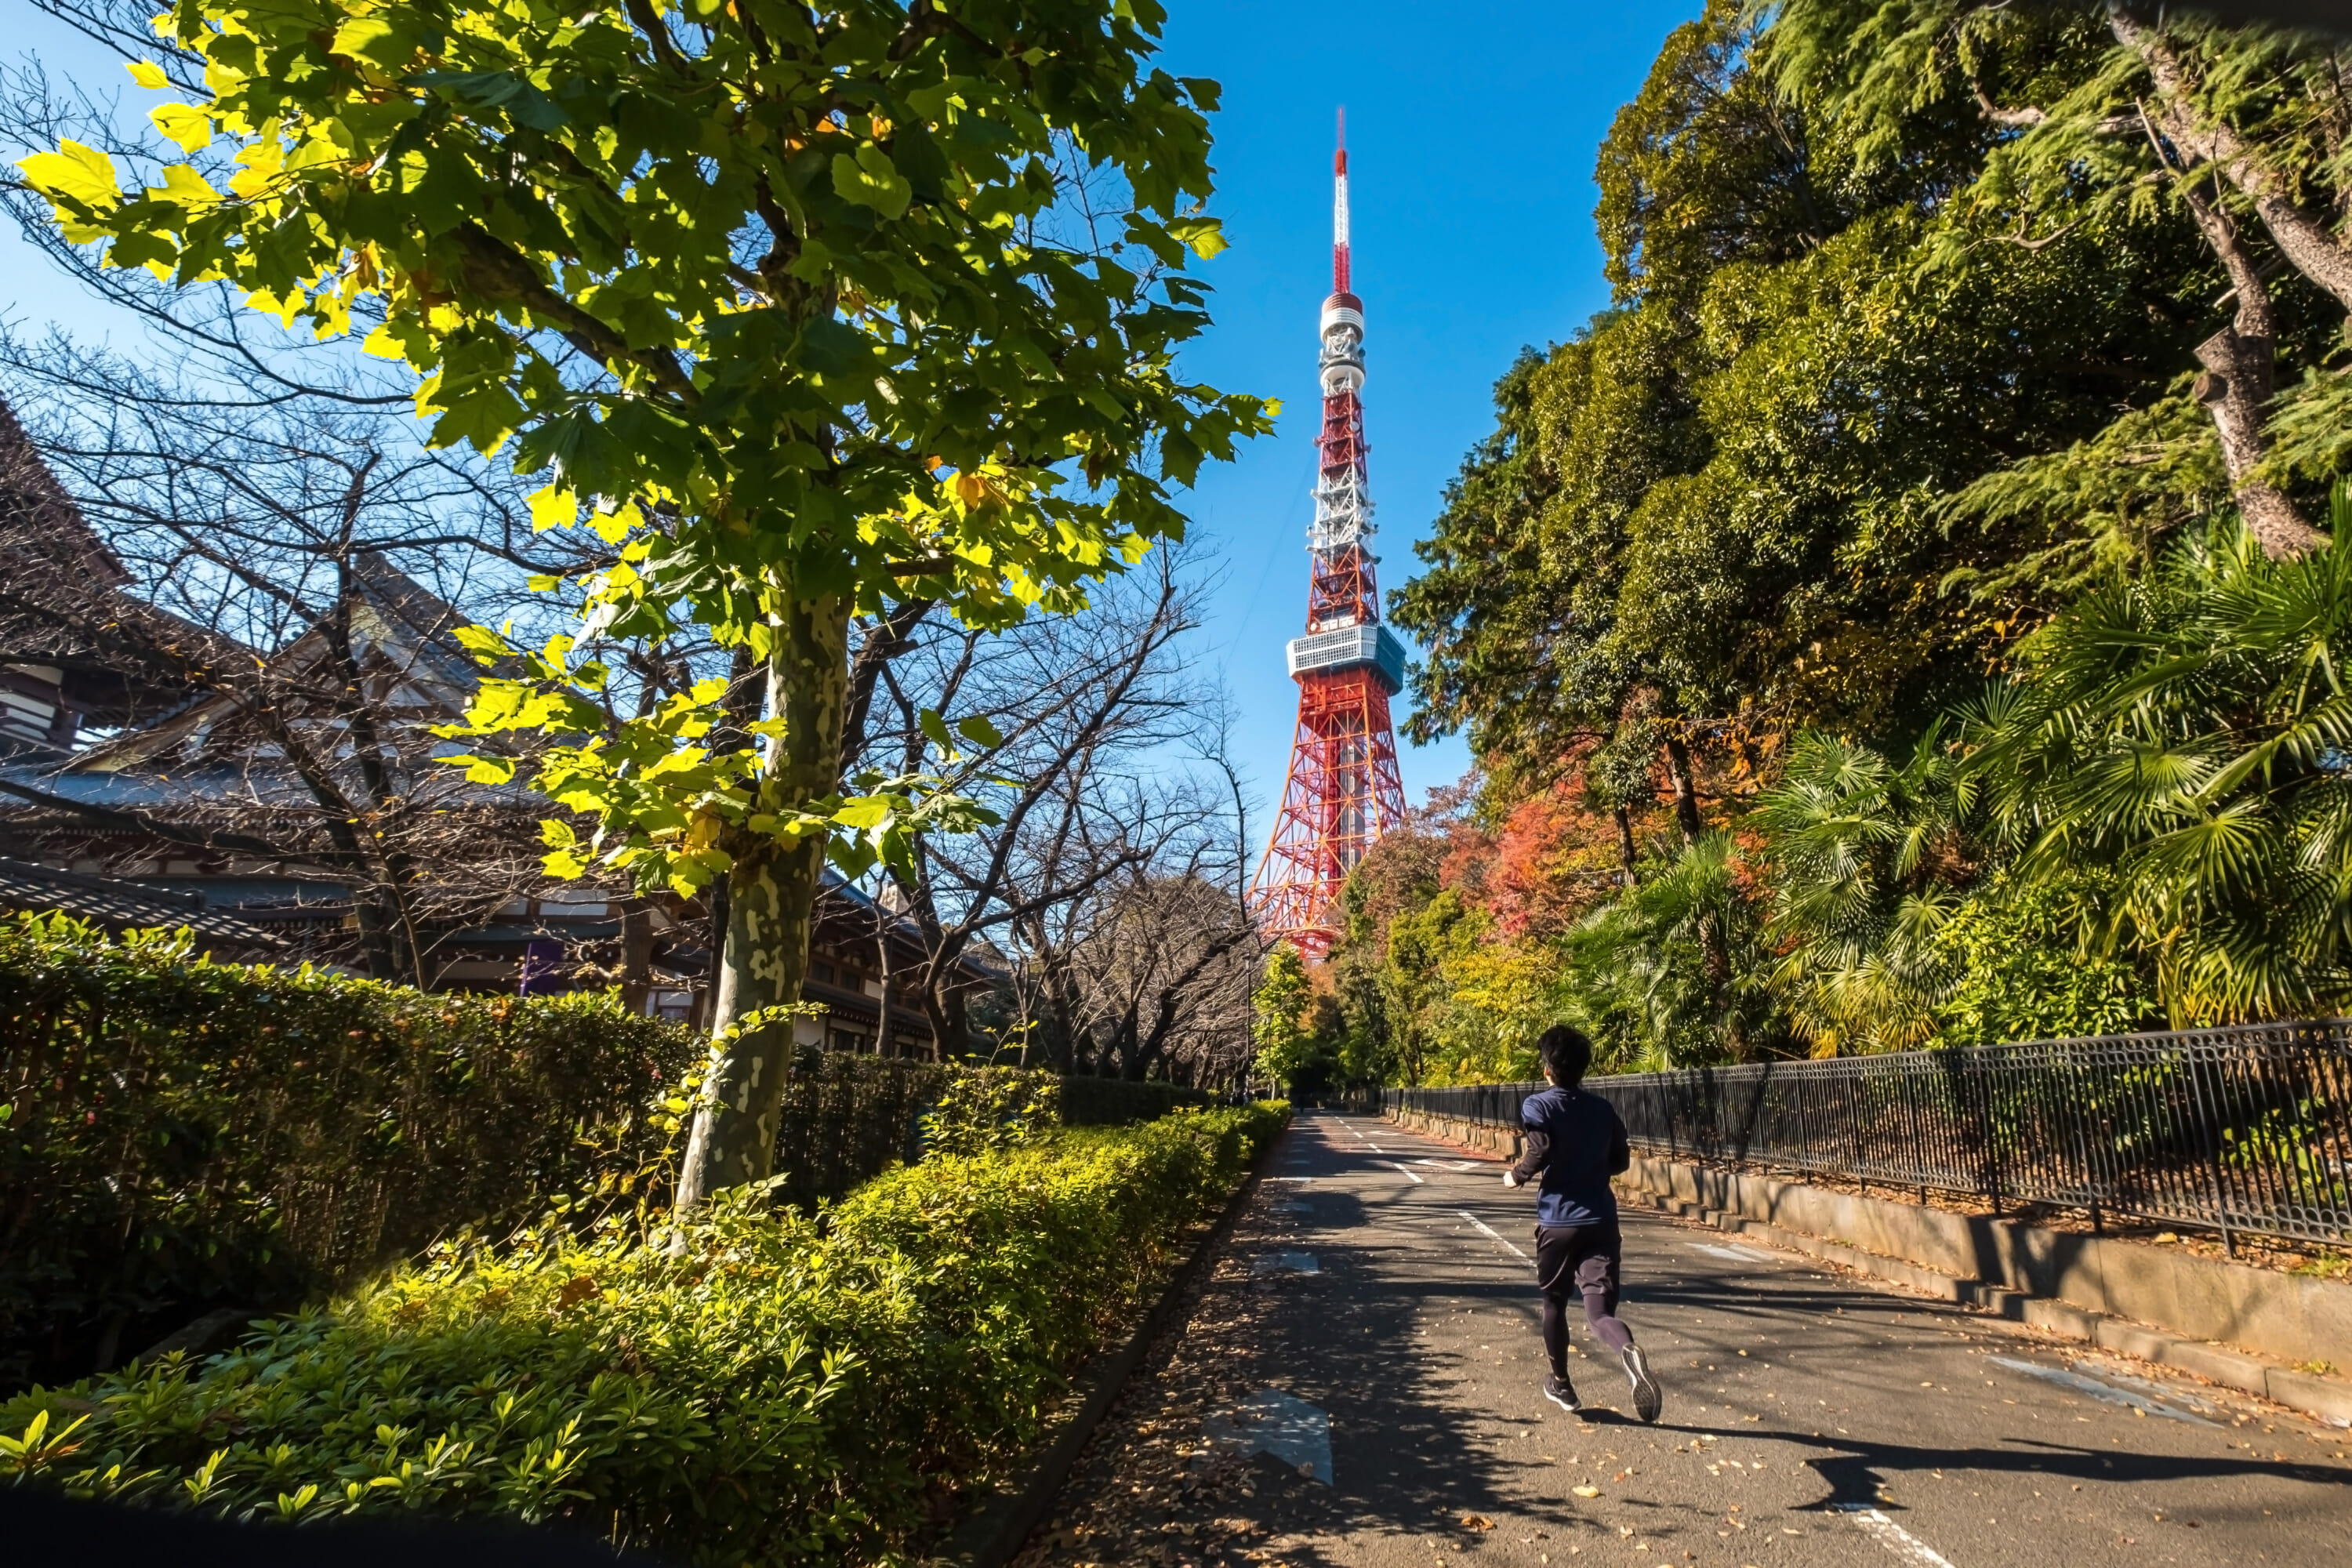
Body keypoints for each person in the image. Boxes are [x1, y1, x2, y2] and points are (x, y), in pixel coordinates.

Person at [1502, 1025, 1661, 1421]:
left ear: (1547, 1070)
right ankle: (1626, 1348)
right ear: (1583, 1069)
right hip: (1602, 1221)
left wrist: (1516, 1175)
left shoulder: (1538, 1105)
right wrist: (1592, 1169)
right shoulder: (1602, 1109)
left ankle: (1561, 1383)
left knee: (1554, 1302)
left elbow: (1540, 1149)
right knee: (1599, 1313)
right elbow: (1621, 1162)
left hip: (1558, 1221)